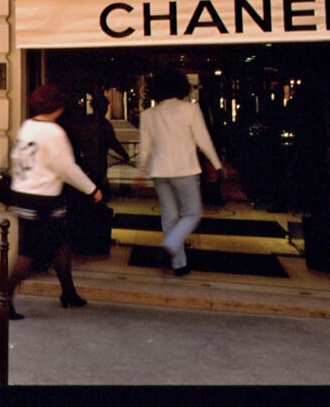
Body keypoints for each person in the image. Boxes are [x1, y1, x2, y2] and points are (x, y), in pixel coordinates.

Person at [0, 84, 102, 320]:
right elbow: (66, 168)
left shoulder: (28, 127)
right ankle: (4, 298)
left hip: (24, 193)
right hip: (44, 198)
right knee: (28, 253)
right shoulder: (54, 133)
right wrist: (91, 188)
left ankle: (68, 292)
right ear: (58, 106)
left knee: (62, 243)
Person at [138, 69, 223, 277]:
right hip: (185, 169)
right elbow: (203, 140)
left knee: (170, 216)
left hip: (159, 171)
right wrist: (216, 164)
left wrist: (141, 170)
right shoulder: (189, 110)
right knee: (193, 213)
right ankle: (170, 246)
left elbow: (145, 148)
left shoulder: (148, 114)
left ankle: (179, 264)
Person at [63, 89, 130, 254]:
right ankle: (93, 240)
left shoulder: (86, 122)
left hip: (85, 168)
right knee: (97, 202)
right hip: (97, 170)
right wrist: (125, 155)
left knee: (88, 203)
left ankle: (86, 239)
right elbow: (113, 143)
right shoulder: (103, 125)